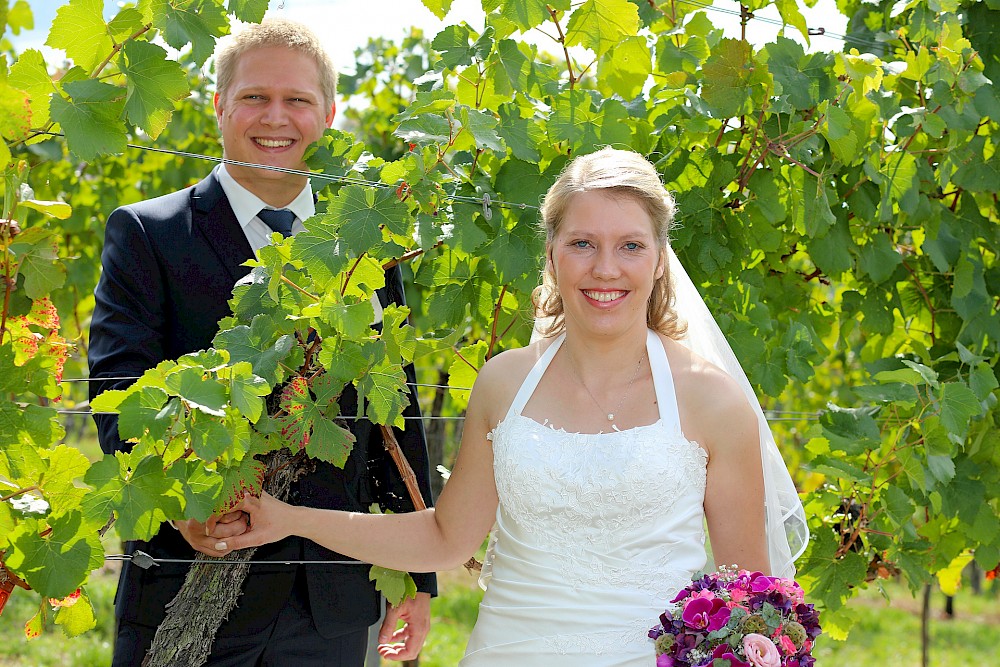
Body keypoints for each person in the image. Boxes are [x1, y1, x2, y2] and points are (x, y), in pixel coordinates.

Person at [216, 147, 809, 665]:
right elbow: (447, 538)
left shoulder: (713, 399)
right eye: (582, 243)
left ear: (659, 261)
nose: (606, 268)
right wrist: (289, 520)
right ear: (552, 254)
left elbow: (748, 594)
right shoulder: (505, 383)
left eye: (630, 245)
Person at [88, 18, 435, 667]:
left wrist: (417, 575)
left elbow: (396, 413)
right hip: (186, 582)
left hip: (332, 598)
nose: (276, 117)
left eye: (298, 100)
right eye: (255, 96)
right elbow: (118, 391)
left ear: (328, 113)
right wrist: (182, 506)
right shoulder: (146, 233)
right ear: (219, 104)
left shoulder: (367, 247)